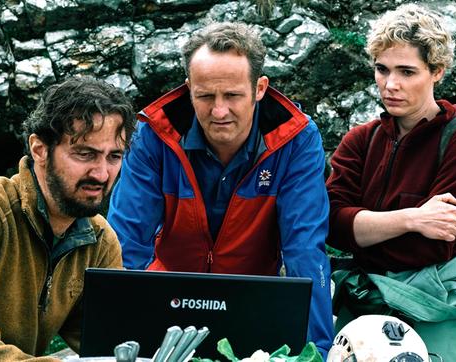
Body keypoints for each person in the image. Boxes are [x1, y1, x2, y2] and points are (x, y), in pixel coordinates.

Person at [107, 22, 334, 356]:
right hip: (168, 296)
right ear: (188, 88)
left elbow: (304, 249)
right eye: (205, 95)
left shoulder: (297, 139)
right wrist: (112, 337)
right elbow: (125, 242)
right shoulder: (154, 135)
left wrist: (319, 352)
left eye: (232, 95)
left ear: (259, 88)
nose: (218, 111)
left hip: (253, 299)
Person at [0, 76, 135, 360]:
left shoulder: (99, 240)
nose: (101, 173)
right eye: (85, 154)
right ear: (39, 149)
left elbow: (113, 341)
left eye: (114, 157)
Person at [326, 4, 456, 360]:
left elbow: (434, 247)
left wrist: (364, 230)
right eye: (382, 69)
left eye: (407, 71)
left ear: (437, 71)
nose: (391, 84)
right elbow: (331, 225)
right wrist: (412, 219)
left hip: (439, 300)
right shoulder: (360, 140)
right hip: (365, 297)